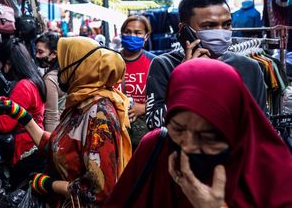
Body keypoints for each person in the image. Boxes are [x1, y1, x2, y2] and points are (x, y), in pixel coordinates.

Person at [105, 59, 292, 208]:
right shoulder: (155, 148)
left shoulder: (273, 174)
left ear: (237, 126)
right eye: (178, 129)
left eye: (208, 136)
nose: (189, 145)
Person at [0, 37, 132, 207]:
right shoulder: (80, 103)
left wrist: (49, 185)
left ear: (82, 68)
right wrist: (23, 116)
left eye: (64, 63)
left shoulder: (98, 115)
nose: (60, 70)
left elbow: (98, 191)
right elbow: (57, 146)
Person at [146, 0, 267, 130]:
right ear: (184, 29)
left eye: (227, 25)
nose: (221, 32)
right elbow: (154, 125)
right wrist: (185, 80)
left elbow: (260, 127)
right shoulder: (164, 65)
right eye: (209, 26)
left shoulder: (249, 67)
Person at [0, 38, 47, 188]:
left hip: (25, 149)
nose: (1, 67)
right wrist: (2, 99)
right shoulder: (33, 80)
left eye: (2, 63)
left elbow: (5, 125)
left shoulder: (23, 86)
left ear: (10, 63)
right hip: (35, 144)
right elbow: (24, 105)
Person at [116, 15, 155, 148]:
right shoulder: (109, 60)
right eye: (127, 32)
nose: (132, 36)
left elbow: (167, 97)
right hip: (114, 129)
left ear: (146, 36)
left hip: (143, 133)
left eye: (138, 33)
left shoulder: (154, 63)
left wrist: (144, 108)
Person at [35, 32, 66, 132]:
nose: (37, 56)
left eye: (40, 52)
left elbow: (51, 117)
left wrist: (49, 144)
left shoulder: (50, 79)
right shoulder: (64, 71)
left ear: (54, 54)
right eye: (36, 51)